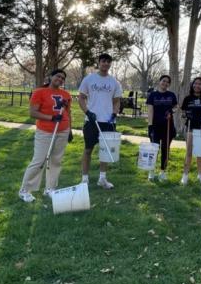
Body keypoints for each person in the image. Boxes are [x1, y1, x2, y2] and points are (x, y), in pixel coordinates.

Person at [19, 68, 72, 203]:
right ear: (50, 77)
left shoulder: (66, 94)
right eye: (58, 76)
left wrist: (70, 130)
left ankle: (50, 188)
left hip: (63, 130)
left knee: (56, 161)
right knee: (39, 160)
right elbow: (33, 113)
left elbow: (68, 113)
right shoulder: (39, 92)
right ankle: (25, 190)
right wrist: (51, 118)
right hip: (45, 131)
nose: (60, 79)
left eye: (63, 78)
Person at [77, 54, 123, 190]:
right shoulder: (89, 79)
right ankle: (84, 179)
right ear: (99, 62)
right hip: (92, 121)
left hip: (108, 122)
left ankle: (102, 179)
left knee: (105, 151)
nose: (106, 64)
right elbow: (81, 98)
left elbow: (117, 101)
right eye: (103, 61)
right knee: (88, 149)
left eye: (108, 62)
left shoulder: (114, 82)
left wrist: (114, 114)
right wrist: (87, 112)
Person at [180, 77, 201, 185]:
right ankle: (185, 174)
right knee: (189, 152)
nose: (197, 86)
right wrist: (186, 115)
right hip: (190, 127)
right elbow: (183, 113)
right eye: (195, 83)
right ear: (192, 85)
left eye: (199, 84)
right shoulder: (187, 98)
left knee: (200, 152)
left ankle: (200, 174)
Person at [146, 74, 178, 181]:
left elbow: (176, 107)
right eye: (163, 81)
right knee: (154, 149)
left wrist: (171, 111)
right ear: (159, 82)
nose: (165, 83)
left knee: (165, 149)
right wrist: (150, 126)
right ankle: (151, 171)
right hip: (155, 126)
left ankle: (163, 172)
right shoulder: (153, 95)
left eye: (167, 82)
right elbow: (150, 111)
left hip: (168, 127)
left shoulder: (171, 95)